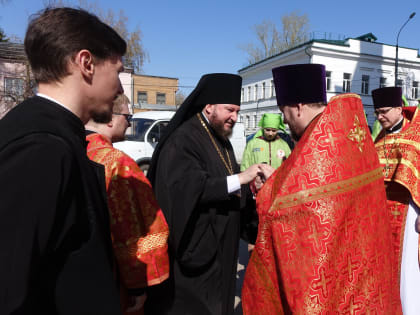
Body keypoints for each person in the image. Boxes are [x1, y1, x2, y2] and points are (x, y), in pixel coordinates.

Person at [242, 64, 399, 314]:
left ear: (298, 107)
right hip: (368, 272)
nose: (284, 120)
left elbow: (293, 209)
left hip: (334, 286)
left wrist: (268, 189)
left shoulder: (318, 145)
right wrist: (278, 180)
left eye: (284, 112)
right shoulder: (348, 133)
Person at [0, 7, 126, 314]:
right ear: (86, 63)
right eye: (118, 71)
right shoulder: (42, 146)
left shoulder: (50, 132)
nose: (120, 88)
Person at [146, 73, 261, 315]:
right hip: (197, 252)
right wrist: (241, 178)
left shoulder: (221, 139)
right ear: (209, 107)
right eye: (230, 110)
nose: (235, 117)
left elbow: (229, 182)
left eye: (238, 111)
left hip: (223, 249)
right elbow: (188, 189)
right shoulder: (183, 140)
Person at [85, 94, 170, 315]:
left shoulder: (71, 149)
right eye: (128, 115)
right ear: (110, 118)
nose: (130, 122)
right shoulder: (118, 163)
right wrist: (138, 286)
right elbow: (137, 227)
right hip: (114, 278)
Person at [373, 87, 420, 314]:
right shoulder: (379, 138)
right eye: (376, 112)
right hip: (382, 213)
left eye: (383, 111)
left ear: (399, 109)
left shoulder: (416, 134)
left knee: (406, 270)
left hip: (408, 213)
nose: (379, 117)